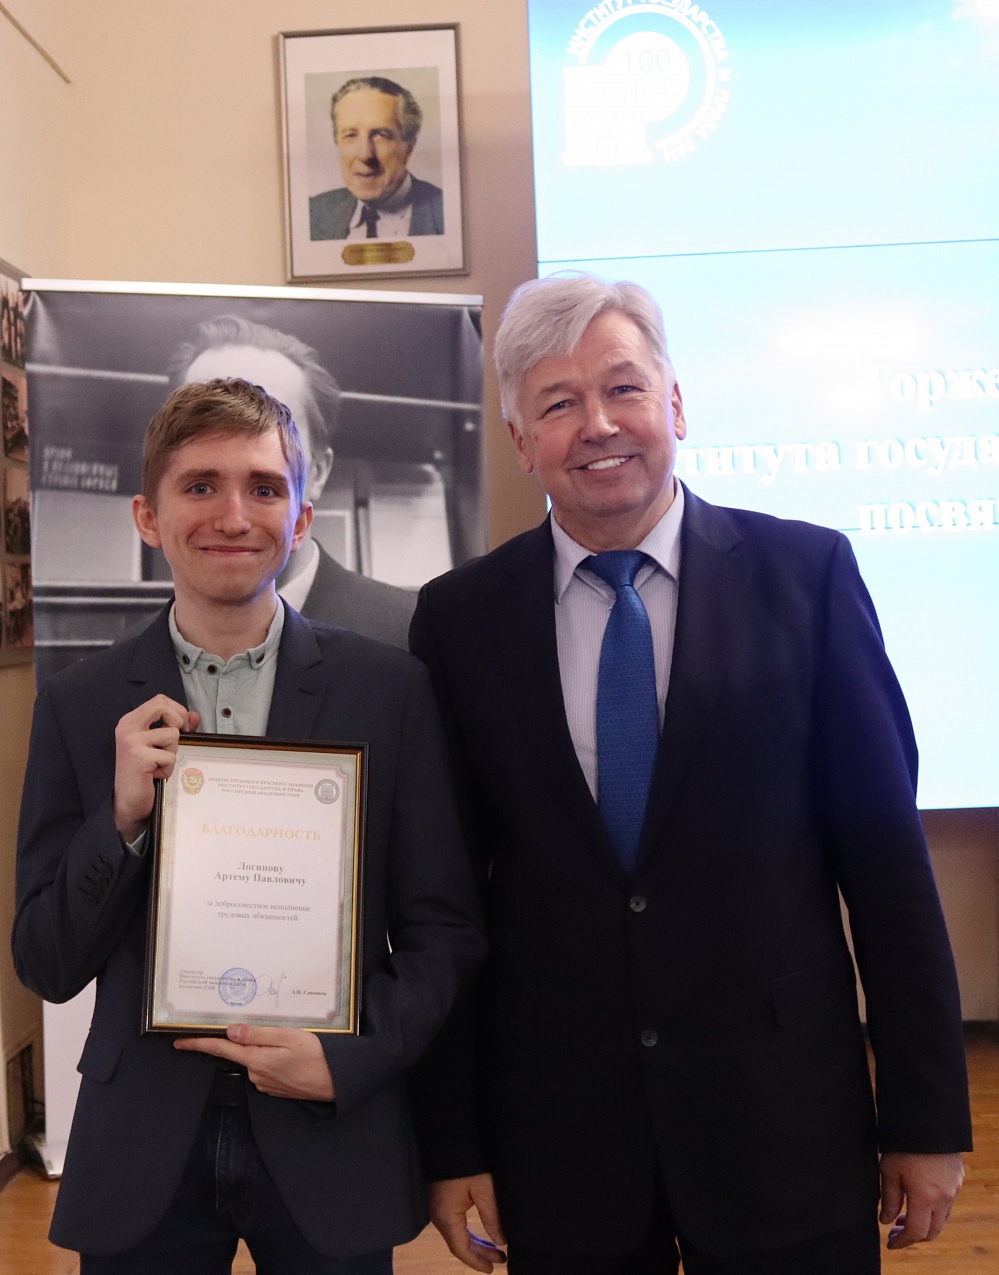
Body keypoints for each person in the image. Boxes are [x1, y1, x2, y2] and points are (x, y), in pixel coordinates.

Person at [408, 274, 972, 1274]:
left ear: (675, 403)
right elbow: (445, 904)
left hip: (783, 1126)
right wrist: (452, 1143)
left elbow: (887, 866)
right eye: (558, 402)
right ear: (520, 438)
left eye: (623, 388)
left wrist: (925, 1119)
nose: (598, 424)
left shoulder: (806, 577)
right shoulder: (458, 620)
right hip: (561, 1139)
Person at [13, 378, 484, 1272]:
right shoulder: (80, 704)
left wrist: (350, 1057)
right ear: (148, 517)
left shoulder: (389, 689)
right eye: (200, 485)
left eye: (263, 487)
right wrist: (119, 821)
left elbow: (443, 931)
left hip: (330, 1131)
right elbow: (45, 960)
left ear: (300, 519)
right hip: (141, 1145)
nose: (233, 515)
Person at [171, 315, 416, 647]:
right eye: (205, 426)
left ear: (319, 470)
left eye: (271, 424)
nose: (236, 457)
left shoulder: (408, 635)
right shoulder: (131, 654)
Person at [309, 76, 444, 242]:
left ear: (409, 145)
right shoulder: (313, 213)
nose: (365, 155)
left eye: (381, 135)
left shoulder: (447, 212)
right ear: (337, 141)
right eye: (351, 135)